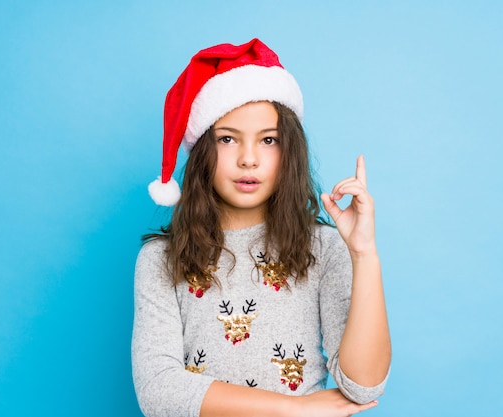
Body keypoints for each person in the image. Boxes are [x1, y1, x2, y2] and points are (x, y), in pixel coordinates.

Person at [132, 38, 391, 417]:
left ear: (289, 149)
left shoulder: (324, 248)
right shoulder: (160, 259)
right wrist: (294, 409)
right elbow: (159, 391)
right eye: (227, 139)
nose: (248, 159)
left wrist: (364, 254)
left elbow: (363, 384)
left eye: (268, 140)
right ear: (203, 149)